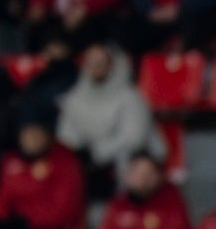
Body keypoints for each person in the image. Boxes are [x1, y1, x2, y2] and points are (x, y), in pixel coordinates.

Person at [53, 45, 162, 196]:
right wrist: (81, 152)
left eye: (100, 63)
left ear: (111, 65)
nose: (95, 68)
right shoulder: (75, 97)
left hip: (123, 160)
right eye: (90, 63)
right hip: (87, 163)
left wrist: (98, 152)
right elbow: (65, 135)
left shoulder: (130, 97)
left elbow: (134, 138)